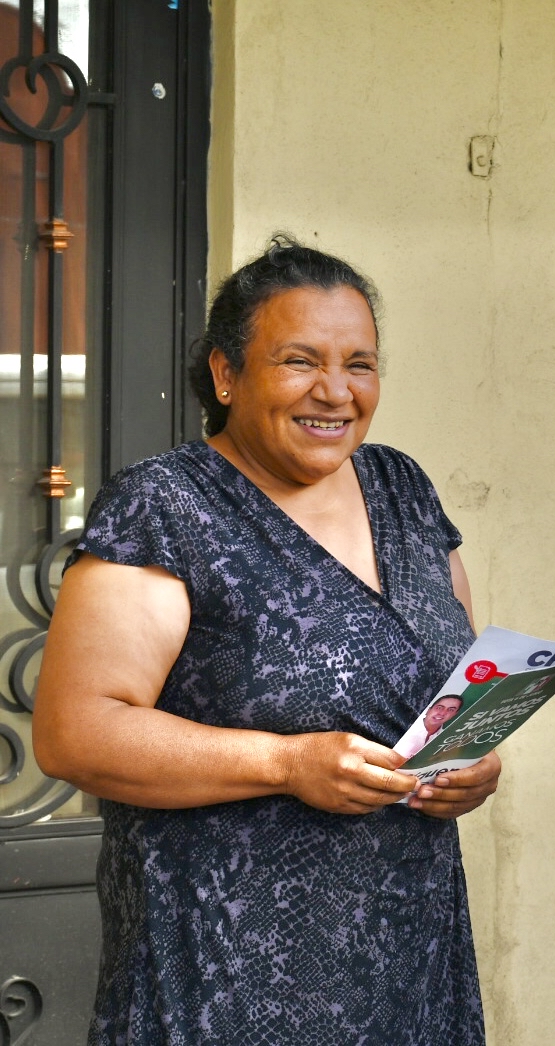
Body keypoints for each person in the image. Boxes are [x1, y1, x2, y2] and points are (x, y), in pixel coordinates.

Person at [32, 237, 500, 1045]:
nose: (336, 391)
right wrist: (286, 763)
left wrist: (472, 760)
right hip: (225, 971)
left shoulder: (403, 490)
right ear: (226, 374)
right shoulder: (167, 508)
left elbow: (457, 676)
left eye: (360, 364)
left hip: (408, 960)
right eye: (299, 361)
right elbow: (76, 732)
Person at [398, 693, 466, 758]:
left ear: (454, 714)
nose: (442, 713)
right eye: (439, 707)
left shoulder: (445, 740)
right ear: (428, 710)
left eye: (451, 710)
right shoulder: (404, 724)